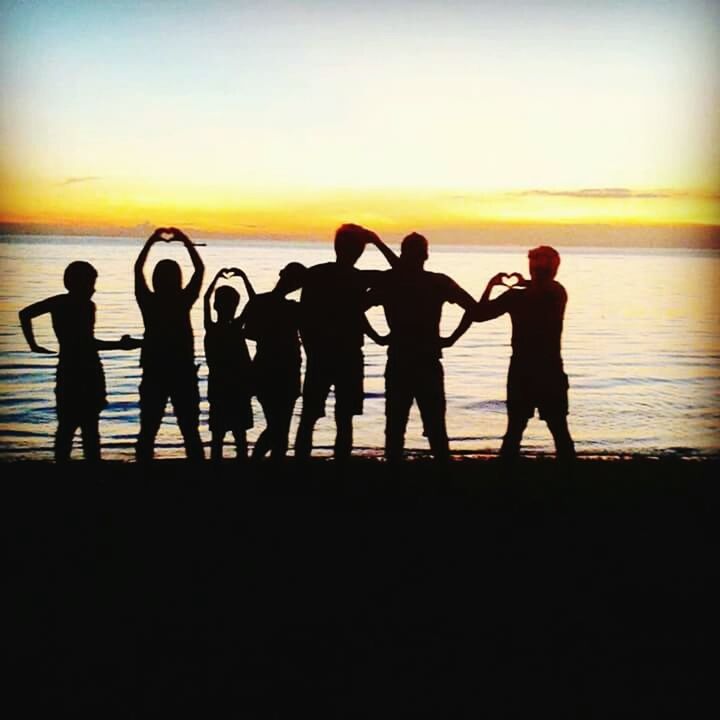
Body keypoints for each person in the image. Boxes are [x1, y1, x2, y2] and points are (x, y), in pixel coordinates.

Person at [447, 245, 576, 461]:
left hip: (527, 370)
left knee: (518, 431)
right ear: (555, 269)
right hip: (546, 369)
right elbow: (481, 313)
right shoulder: (556, 292)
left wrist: (492, 286)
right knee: (555, 430)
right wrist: (515, 284)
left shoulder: (518, 297)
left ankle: (507, 479)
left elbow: (478, 314)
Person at [364, 232, 476, 462]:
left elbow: (354, 308)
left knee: (395, 427)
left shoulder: (391, 281)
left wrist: (377, 336)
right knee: (435, 428)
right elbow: (474, 308)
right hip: (426, 361)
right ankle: (442, 477)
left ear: (404, 253)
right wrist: (452, 338)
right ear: (426, 255)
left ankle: (396, 478)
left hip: (401, 360)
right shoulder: (437, 282)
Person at [294, 224, 398, 460]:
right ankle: (339, 468)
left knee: (310, 418)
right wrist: (378, 242)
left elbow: (306, 318)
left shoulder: (316, 274)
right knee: (343, 419)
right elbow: (400, 272)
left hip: (323, 355)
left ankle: (301, 468)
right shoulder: (358, 278)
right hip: (347, 356)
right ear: (359, 251)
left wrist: (311, 349)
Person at [19, 261, 141, 461]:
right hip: (85, 371)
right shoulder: (83, 306)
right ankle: (88, 470)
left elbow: (25, 314)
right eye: (90, 283)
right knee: (87, 428)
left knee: (68, 427)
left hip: (70, 370)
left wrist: (33, 344)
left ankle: (65, 468)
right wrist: (120, 346)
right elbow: (86, 343)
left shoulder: (58, 302)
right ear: (76, 283)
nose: (93, 289)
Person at [134, 227, 205, 461]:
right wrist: (184, 240)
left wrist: (152, 241)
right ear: (178, 279)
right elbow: (200, 269)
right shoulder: (183, 301)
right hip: (182, 372)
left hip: (155, 371)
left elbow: (137, 269)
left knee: (148, 431)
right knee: (189, 431)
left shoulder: (149, 301)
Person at [238, 262, 306, 462]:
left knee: (278, 426)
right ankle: (260, 462)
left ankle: (263, 464)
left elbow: (245, 331)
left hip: (273, 369)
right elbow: (246, 331)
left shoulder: (273, 304)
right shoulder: (292, 308)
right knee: (279, 426)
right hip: (276, 370)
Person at [203, 267, 256, 461]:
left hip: (219, 386)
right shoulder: (235, 328)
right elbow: (254, 303)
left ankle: (217, 470)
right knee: (239, 434)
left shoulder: (212, 328)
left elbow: (205, 299)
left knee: (218, 435)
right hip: (237, 387)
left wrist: (216, 278)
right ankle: (241, 467)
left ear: (217, 306)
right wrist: (243, 277)